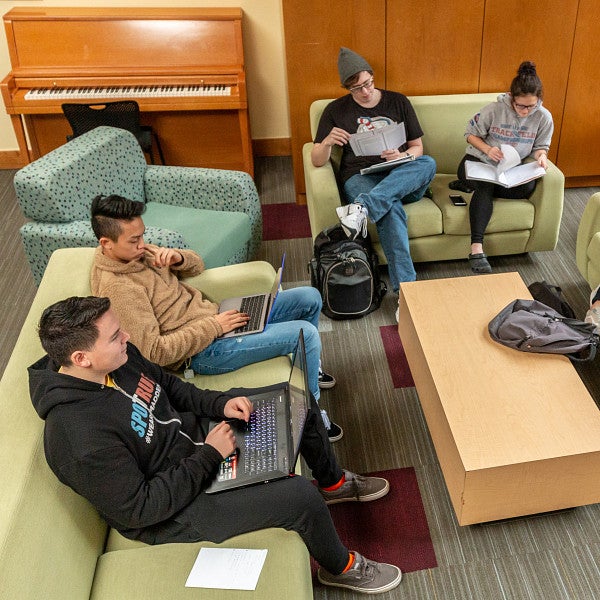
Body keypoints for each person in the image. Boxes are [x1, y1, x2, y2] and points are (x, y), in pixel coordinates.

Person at [29, 296, 403, 595]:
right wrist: (210, 454)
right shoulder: (77, 438)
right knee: (300, 499)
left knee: (294, 403)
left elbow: (171, 387)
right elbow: (140, 509)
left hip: (196, 443)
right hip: (173, 510)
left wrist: (219, 404)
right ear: (81, 358)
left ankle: (334, 484)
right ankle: (341, 569)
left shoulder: (116, 360)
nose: (126, 336)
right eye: (114, 336)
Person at [89, 194, 342, 442]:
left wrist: (178, 258)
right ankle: (314, 412)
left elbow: (198, 265)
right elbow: (155, 353)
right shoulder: (119, 289)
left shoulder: (137, 253)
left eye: (143, 235)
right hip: (203, 352)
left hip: (219, 316)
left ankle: (309, 367)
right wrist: (213, 326)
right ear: (106, 243)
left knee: (310, 297)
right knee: (304, 334)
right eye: (134, 240)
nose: (143, 244)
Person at [311, 47, 436, 296]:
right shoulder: (335, 110)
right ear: (348, 89)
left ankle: (363, 208)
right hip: (360, 177)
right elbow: (316, 160)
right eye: (357, 89)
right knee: (391, 211)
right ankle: (407, 293)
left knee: (429, 162)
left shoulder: (398, 101)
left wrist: (401, 156)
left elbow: (417, 148)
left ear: (372, 76)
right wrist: (326, 143)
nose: (365, 92)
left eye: (368, 83)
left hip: (401, 175)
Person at [452, 61, 554, 274]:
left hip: (510, 168)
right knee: (485, 187)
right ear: (511, 97)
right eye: (521, 106)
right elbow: (469, 135)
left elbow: (540, 147)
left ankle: (467, 187)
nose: (526, 111)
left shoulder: (543, 117)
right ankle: (477, 248)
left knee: (526, 188)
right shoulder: (494, 109)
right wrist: (488, 150)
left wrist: (541, 157)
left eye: (531, 106)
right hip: (478, 162)